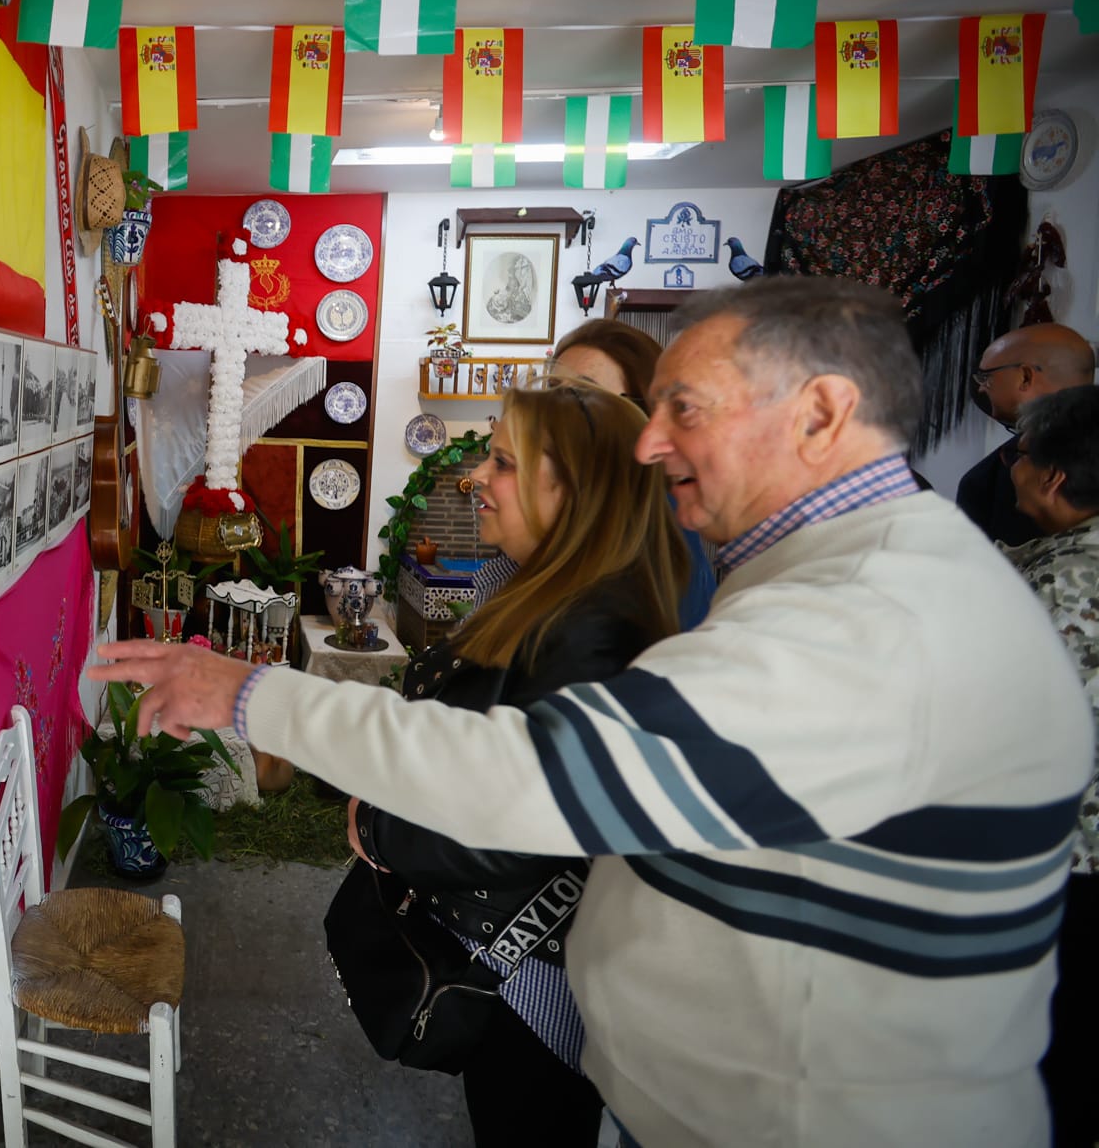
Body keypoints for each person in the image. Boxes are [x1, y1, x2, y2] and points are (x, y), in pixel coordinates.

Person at [96, 278, 1089, 1147]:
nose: (649, 444)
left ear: (820, 414)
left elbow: (532, 775)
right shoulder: (846, 581)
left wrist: (249, 692)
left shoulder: (866, 619)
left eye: (682, 409)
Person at [350, 382, 687, 1145]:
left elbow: (513, 829)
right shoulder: (550, 601)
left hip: (542, 989)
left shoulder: (591, 635)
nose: (476, 480)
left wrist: (379, 825)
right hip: (516, 965)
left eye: (502, 462)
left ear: (571, 490)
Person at [1000, 384, 1099, 1148]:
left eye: (1020, 454)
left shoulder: (1059, 586)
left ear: (1053, 478)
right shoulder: (1050, 564)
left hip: (1066, 867)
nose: (1012, 468)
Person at [550, 318, 717, 629]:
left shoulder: (651, 517)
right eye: (552, 390)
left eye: (584, 394)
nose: (555, 410)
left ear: (641, 413)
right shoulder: (578, 500)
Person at [958, 322, 1095, 546]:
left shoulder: (986, 482)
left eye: (986, 377)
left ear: (1025, 376)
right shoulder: (987, 478)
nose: (982, 388)